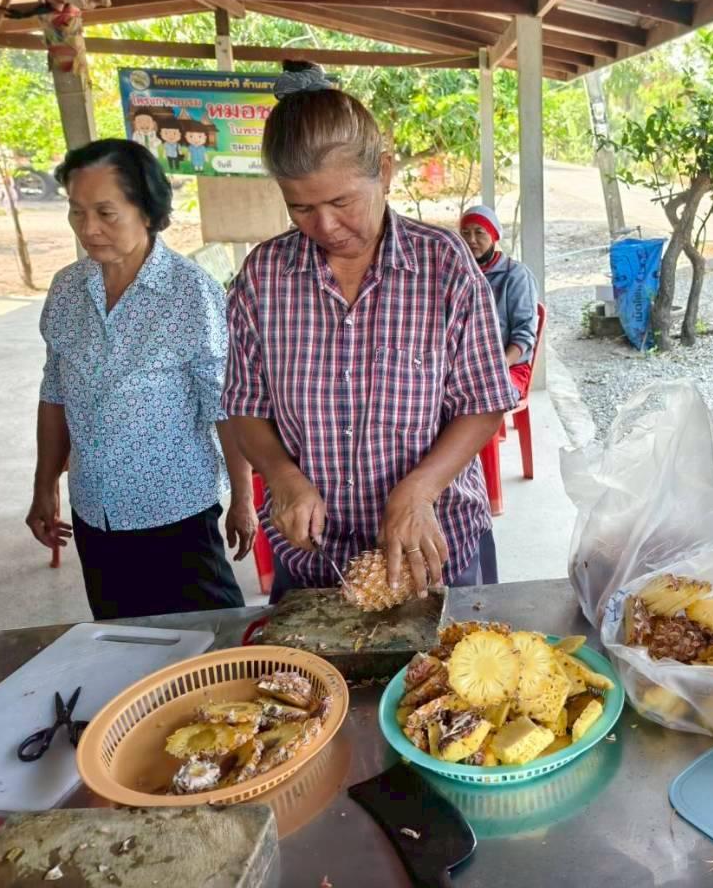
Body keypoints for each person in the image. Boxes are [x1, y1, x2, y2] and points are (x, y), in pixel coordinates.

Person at [224, 63, 517, 603]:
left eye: (341, 203)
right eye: (301, 208)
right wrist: (282, 478)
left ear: (384, 171)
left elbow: (483, 403)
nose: (325, 226)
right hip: (315, 563)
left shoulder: (443, 265)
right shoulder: (263, 278)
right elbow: (246, 406)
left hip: (436, 550)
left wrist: (420, 489)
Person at [27, 139, 256, 621]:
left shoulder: (191, 293)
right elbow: (55, 393)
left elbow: (224, 406)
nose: (88, 229)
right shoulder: (68, 289)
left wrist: (243, 497)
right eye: (77, 212)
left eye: (106, 213)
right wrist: (44, 485)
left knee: (209, 637)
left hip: (176, 512)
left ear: (147, 212)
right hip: (95, 513)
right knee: (121, 638)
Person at [459, 204, 539, 399]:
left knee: (489, 398)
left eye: (479, 232)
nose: (471, 240)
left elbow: (525, 334)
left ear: (494, 236)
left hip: (510, 367)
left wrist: (498, 367)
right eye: (465, 233)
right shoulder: (458, 274)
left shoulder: (516, 275)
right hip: (466, 367)